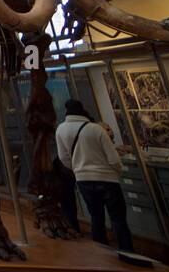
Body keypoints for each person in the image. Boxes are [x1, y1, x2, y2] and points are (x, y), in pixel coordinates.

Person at [56, 100, 132, 252]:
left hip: (83, 180)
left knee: (96, 217)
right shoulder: (95, 129)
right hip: (107, 179)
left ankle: (101, 251)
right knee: (118, 218)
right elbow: (113, 158)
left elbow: (63, 157)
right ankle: (127, 251)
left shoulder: (61, 129)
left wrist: (78, 168)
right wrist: (116, 172)